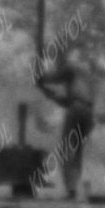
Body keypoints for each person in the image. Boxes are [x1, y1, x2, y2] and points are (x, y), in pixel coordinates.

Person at [36, 41, 96, 200]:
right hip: (88, 112)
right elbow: (72, 100)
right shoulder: (86, 73)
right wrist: (50, 95)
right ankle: (80, 188)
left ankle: (71, 190)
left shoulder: (71, 67)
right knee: (78, 152)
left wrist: (40, 77)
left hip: (77, 110)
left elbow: (52, 78)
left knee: (66, 149)